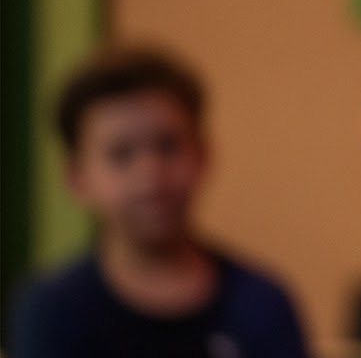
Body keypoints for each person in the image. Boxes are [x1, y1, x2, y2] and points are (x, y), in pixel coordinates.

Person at [9, 46, 309, 358]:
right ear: (78, 176)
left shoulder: (262, 304)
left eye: (168, 146)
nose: (150, 174)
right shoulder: (52, 310)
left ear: (203, 155)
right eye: (121, 154)